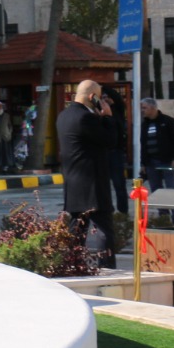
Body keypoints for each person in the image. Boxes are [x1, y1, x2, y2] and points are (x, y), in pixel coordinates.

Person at [56, 80, 117, 268]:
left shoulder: (63, 116)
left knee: (77, 228)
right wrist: (108, 117)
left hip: (73, 182)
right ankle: (106, 268)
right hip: (92, 182)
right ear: (93, 97)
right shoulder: (86, 118)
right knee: (103, 229)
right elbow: (110, 140)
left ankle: (72, 266)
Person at [139, 97, 174, 191]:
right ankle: (159, 202)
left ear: (153, 108)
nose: (142, 110)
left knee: (171, 186)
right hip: (150, 161)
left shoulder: (168, 121)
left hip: (166, 160)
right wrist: (143, 163)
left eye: (145, 108)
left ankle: (173, 201)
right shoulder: (145, 124)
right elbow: (143, 144)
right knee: (155, 188)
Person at [102, 86, 130, 216]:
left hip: (116, 152)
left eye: (107, 97)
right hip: (104, 151)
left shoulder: (117, 111)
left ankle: (123, 211)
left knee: (119, 184)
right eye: (103, 97)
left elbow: (119, 100)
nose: (105, 100)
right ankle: (108, 209)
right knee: (103, 185)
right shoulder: (100, 112)